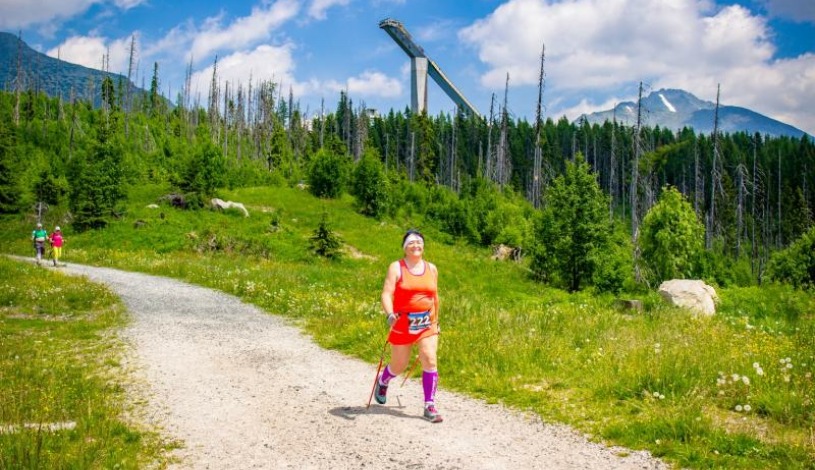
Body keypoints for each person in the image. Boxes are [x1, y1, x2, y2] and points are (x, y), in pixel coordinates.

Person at [375, 229, 443, 423]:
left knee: (429, 358)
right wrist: (389, 314)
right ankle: (384, 380)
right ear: (405, 248)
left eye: (419, 242)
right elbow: (387, 293)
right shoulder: (396, 267)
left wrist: (436, 321)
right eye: (411, 243)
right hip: (403, 323)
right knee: (399, 365)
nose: (416, 245)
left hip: (427, 323)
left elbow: (435, 296)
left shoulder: (432, 269)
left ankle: (429, 405)